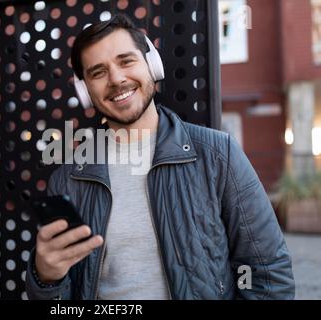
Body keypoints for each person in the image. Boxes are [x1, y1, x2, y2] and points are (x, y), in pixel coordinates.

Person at [26, 14, 295, 300]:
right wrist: (45, 278)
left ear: (152, 65)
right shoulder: (67, 180)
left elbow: (267, 273)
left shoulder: (218, 155)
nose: (117, 79)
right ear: (85, 91)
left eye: (126, 61)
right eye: (98, 72)